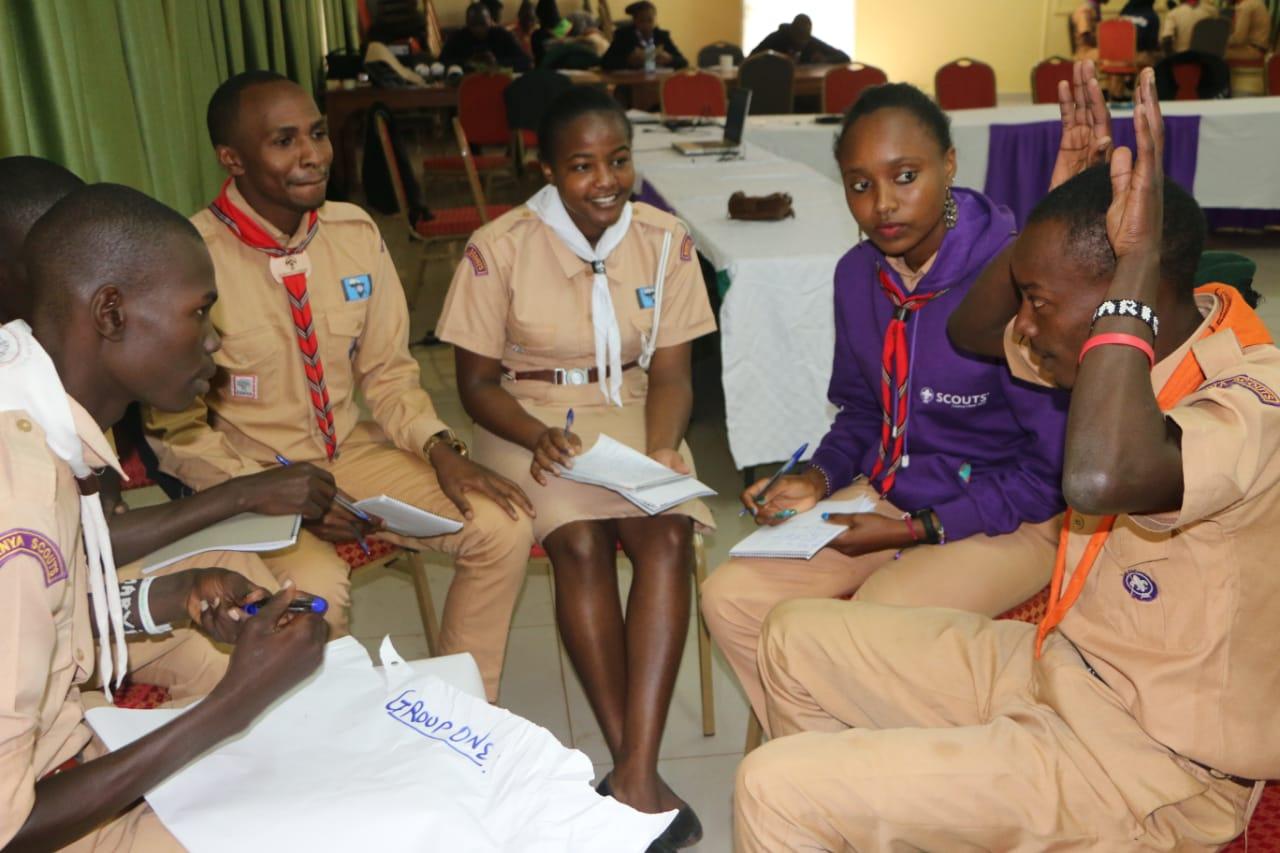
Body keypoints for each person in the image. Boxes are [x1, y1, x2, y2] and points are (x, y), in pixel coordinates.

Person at [736, 64, 1276, 852]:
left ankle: (842, 812)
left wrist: (1127, 270)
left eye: (1040, 303)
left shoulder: (1250, 395)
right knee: (790, 634)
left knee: (771, 787)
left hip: (1150, 763)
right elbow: (969, 333)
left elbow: (1098, 476)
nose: (1023, 326)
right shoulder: (1091, 340)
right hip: (1061, 668)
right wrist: (1044, 234)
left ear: (1129, 291)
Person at [145, 71, 536, 702]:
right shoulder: (189, 259)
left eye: (318, 134)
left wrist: (442, 451)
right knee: (313, 602)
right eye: (284, 141)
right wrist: (278, 496)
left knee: (500, 525)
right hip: (252, 480)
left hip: (349, 454)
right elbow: (176, 432)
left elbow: (389, 373)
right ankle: (335, 749)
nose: (312, 155)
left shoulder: (354, 235)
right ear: (232, 158)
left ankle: (464, 712)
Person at [700, 82, 1069, 725]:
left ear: (949, 164)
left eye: (905, 176)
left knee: (863, 626)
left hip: (1006, 520)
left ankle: (847, 787)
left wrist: (914, 531)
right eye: (859, 184)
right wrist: (814, 479)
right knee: (730, 594)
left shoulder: (1013, 277)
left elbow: (1047, 477)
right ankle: (817, 774)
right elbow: (862, 412)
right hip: (889, 496)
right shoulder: (856, 274)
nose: (883, 205)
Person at [0, 181, 329, 851]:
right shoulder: (23, 502)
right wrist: (233, 702)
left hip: (60, 739)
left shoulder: (33, 400)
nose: (213, 343)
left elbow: (42, 618)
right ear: (111, 312)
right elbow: (11, 826)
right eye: (199, 312)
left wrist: (165, 595)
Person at [436, 86, 716, 849]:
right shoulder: (500, 246)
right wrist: (532, 435)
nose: (605, 181)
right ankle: (640, 774)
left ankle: (632, 773)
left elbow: (672, 375)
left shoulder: (666, 239)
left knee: (663, 535)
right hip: (530, 419)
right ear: (549, 168)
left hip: (632, 407)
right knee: (581, 542)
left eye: (618, 160)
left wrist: (663, 449)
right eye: (584, 165)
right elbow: (475, 384)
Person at [440, 2, 531, 71]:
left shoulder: (502, 35)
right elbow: (440, 63)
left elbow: (525, 61)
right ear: (467, 24)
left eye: (483, 24)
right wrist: (467, 63)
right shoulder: (458, 37)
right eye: (474, 24)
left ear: (490, 21)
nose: (479, 29)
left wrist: (496, 63)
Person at [601, 1, 688, 71]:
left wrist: (670, 59)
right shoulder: (624, 35)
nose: (646, 25)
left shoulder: (661, 36)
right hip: (631, 85)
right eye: (642, 20)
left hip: (657, 83)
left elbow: (683, 62)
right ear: (635, 20)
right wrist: (628, 61)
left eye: (650, 20)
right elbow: (605, 63)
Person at [749, 14, 850, 65]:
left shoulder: (811, 42)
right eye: (797, 40)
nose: (800, 46)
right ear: (791, 32)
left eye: (804, 41)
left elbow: (844, 57)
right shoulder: (776, 38)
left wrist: (824, 60)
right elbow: (750, 59)